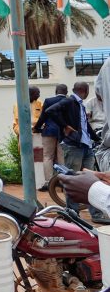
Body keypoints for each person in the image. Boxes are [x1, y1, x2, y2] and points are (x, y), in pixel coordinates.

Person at [44, 81, 98, 213]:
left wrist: (97, 138)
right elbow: (50, 111)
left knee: (91, 180)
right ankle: (72, 212)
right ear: (85, 90)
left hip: (86, 146)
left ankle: (95, 213)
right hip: (73, 146)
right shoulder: (69, 101)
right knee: (72, 180)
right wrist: (65, 126)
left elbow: (85, 126)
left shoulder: (80, 105)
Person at [34, 83, 69, 190]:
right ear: (66, 92)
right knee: (62, 157)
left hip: (49, 131)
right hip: (64, 132)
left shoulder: (49, 101)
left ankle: (49, 182)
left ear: (56, 91)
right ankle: (64, 182)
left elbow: (43, 116)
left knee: (47, 157)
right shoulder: (70, 101)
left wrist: (37, 127)